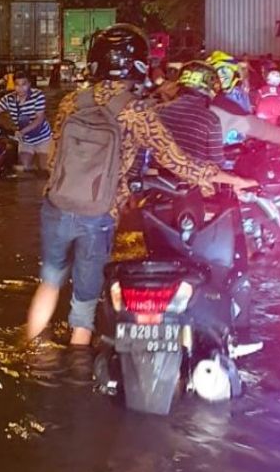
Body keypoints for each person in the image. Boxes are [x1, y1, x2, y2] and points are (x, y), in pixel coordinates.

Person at [25, 24, 255, 359]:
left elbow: (54, 156)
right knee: (85, 305)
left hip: (56, 205)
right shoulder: (136, 109)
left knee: (49, 282)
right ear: (137, 64)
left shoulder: (71, 101)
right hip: (98, 215)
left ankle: (29, 354)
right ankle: (74, 378)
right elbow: (176, 160)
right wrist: (232, 180)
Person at [0, 71, 52, 172]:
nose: (20, 88)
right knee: (24, 170)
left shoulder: (38, 96)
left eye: (24, 84)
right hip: (25, 140)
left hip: (42, 138)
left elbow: (39, 118)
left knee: (45, 169)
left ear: (29, 84)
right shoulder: (8, 99)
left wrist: (22, 132)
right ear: (14, 85)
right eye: (17, 85)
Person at [156, 61, 225, 166]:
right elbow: (216, 163)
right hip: (191, 179)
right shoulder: (210, 120)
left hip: (157, 177)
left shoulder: (158, 110)